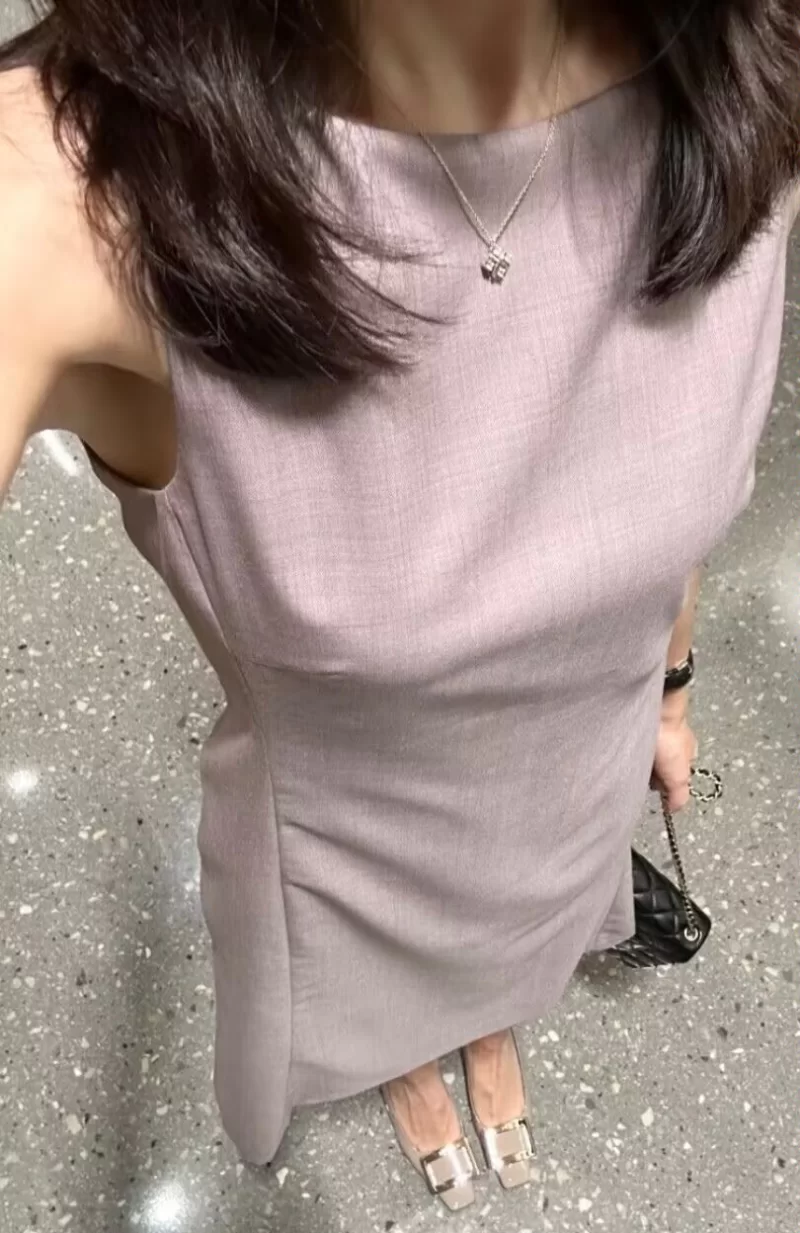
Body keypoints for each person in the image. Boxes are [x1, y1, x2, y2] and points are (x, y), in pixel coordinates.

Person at [0, 0, 797, 1213]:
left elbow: (667, 522)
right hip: (348, 855)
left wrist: (670, 695)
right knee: (371, 999)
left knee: (514, 956)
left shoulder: (747, 65)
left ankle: (485, 1014)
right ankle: (402, 1049)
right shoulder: (74, 192)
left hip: (573, 786)